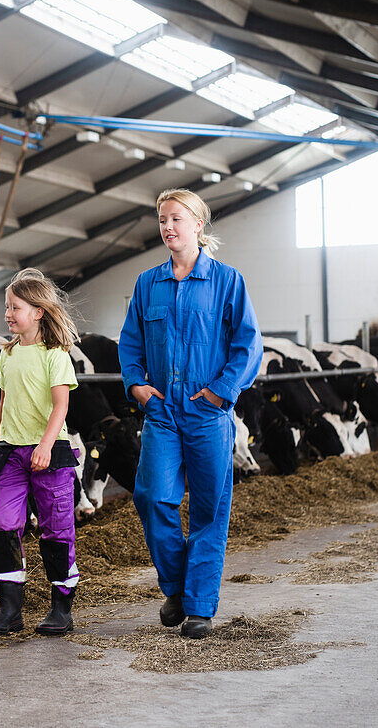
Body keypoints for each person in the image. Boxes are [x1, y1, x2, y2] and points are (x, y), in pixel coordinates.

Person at [118, 188, 262, 639]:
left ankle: (198, 606)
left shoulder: (227, 281)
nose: (168, 227)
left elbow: (248, 345)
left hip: (206, 414)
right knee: (151, 496)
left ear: (199, 224)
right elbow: (130, 343)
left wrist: (221, 393)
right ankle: (178, 587)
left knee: (208, 509)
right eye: (163, 219)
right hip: (161, 412)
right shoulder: (148, 283)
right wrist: (138, 386)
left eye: (177, 219)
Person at [0, 268, 81, 636]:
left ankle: (61, 606)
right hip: (9, 453)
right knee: (4, 526)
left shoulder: (56, 355)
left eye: (15, 307)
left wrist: (44, 445)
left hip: (49, 454)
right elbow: (4, 401)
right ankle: (10, 610)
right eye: (7, 307)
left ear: (38, 311)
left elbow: (60, 407)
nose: (8, 313)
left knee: (56, 530)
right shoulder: (7, 354)